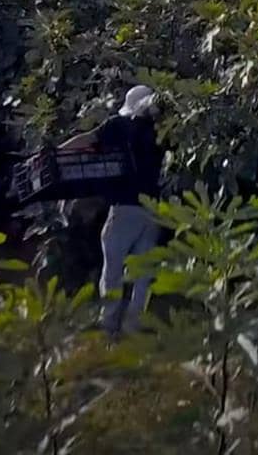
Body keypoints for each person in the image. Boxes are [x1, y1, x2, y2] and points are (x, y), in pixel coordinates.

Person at [60, 84, 164, 335]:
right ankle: (133, 325)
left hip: (125, 209)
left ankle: (109, 324)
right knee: (142, 274)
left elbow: (88, 139)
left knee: (113, 271)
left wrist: (57, 152)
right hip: (152, 211)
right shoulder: (160, 132)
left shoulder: (119, 126)